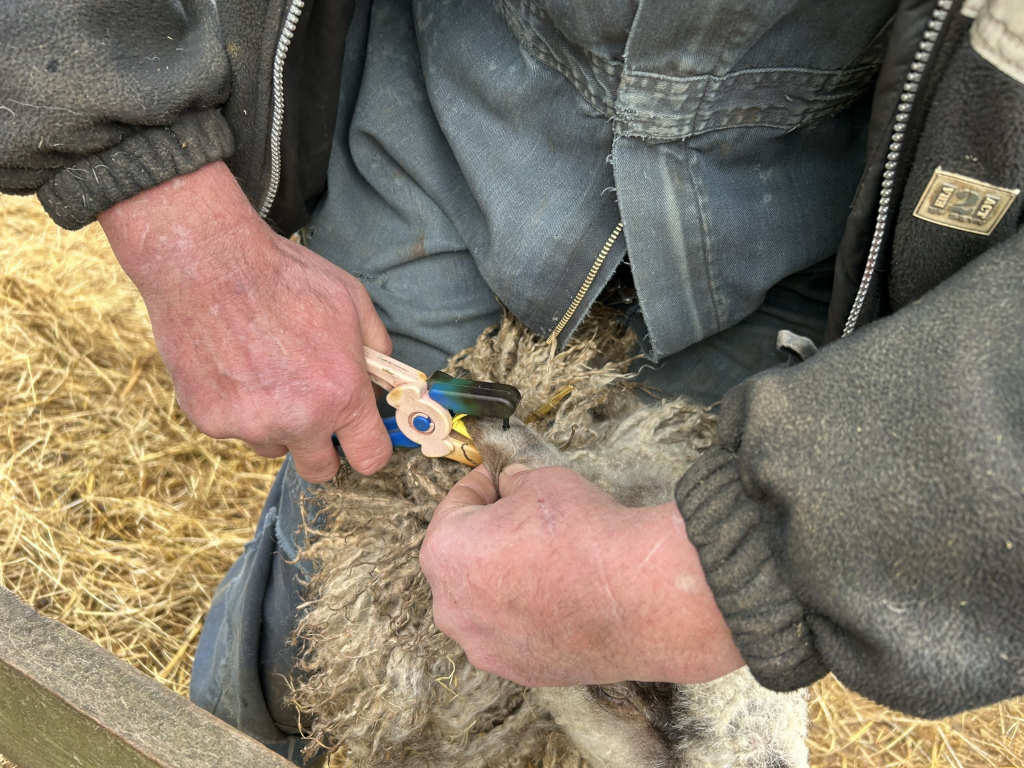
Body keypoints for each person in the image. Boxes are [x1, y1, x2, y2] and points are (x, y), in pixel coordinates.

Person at [2, 0, 1023, 764]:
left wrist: (752, 570)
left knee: (686, 692)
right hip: (446, 104)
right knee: (352, 582)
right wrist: (171, 209)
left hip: (840, 198)